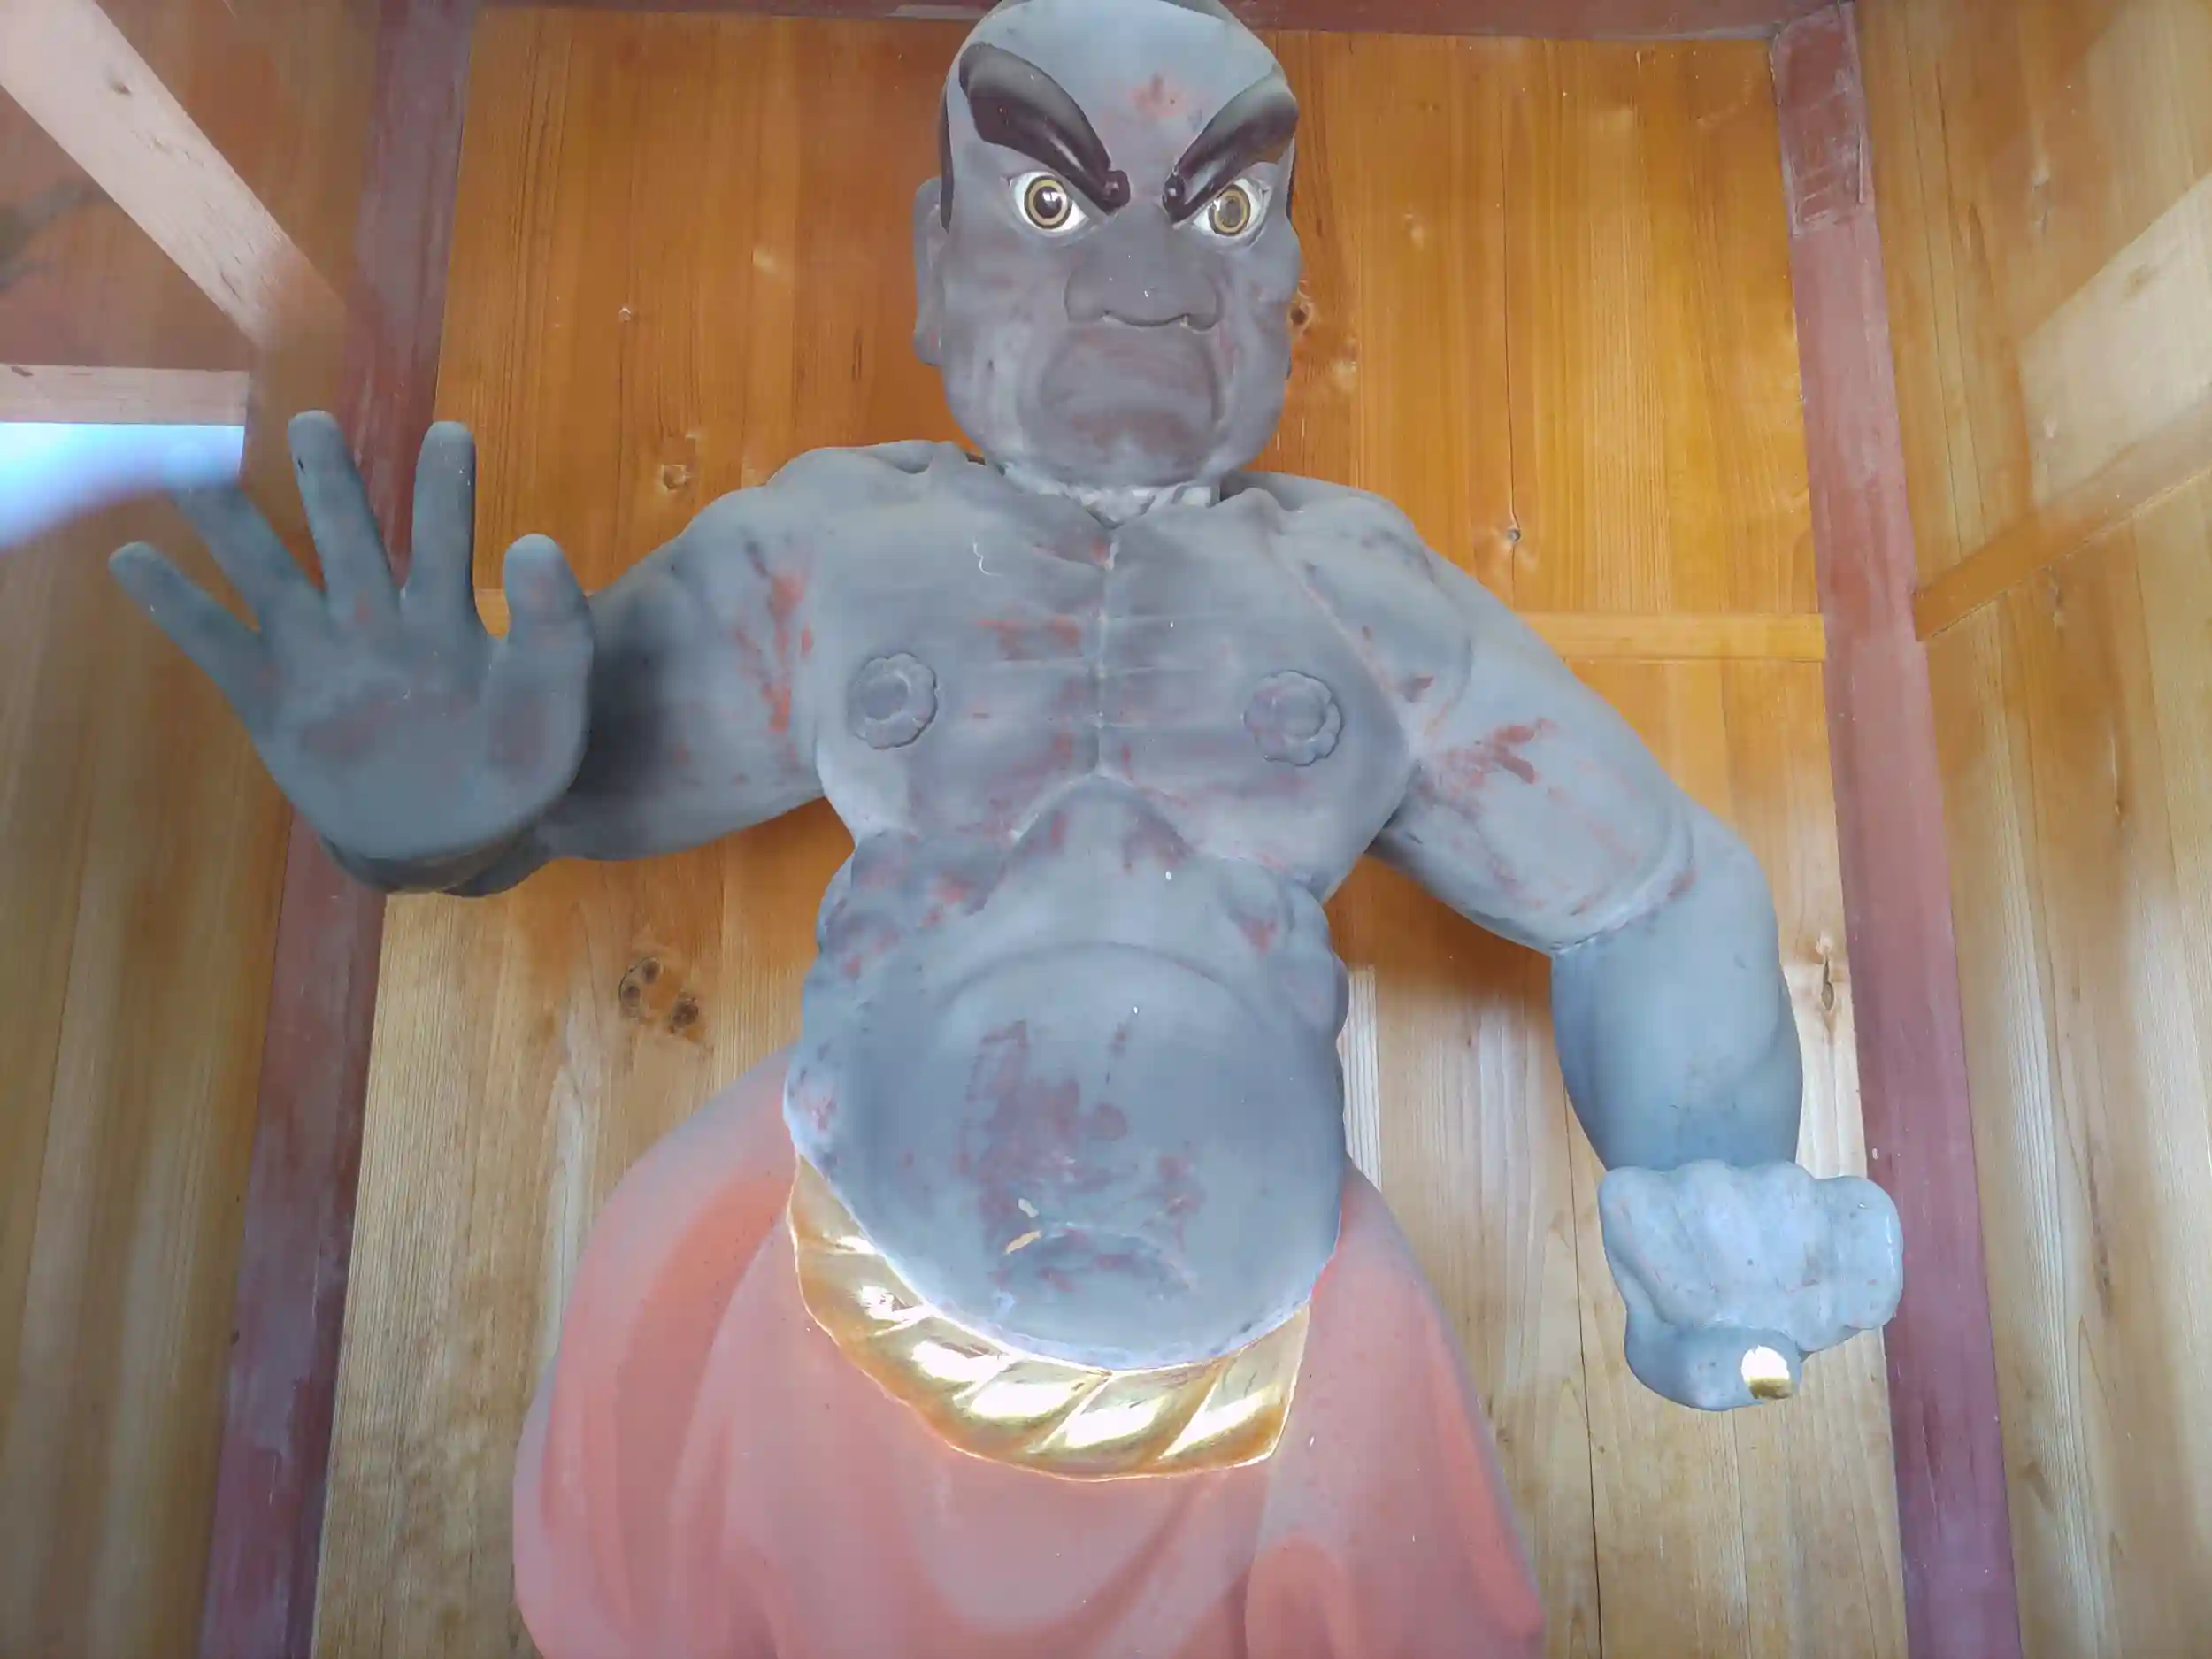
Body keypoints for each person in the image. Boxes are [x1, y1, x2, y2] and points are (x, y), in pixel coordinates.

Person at [108, 0, 1901, 1651]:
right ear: (934, 256)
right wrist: (431, 821)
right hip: (822, 1343)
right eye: (1054, 203)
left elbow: (1653, 888)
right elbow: (547, 781)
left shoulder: (1364, 597)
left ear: (1286, 274)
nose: (1145, 278)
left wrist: (1714, 1201)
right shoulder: (831, 555)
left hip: (1269, 1392)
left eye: (1218, 212)